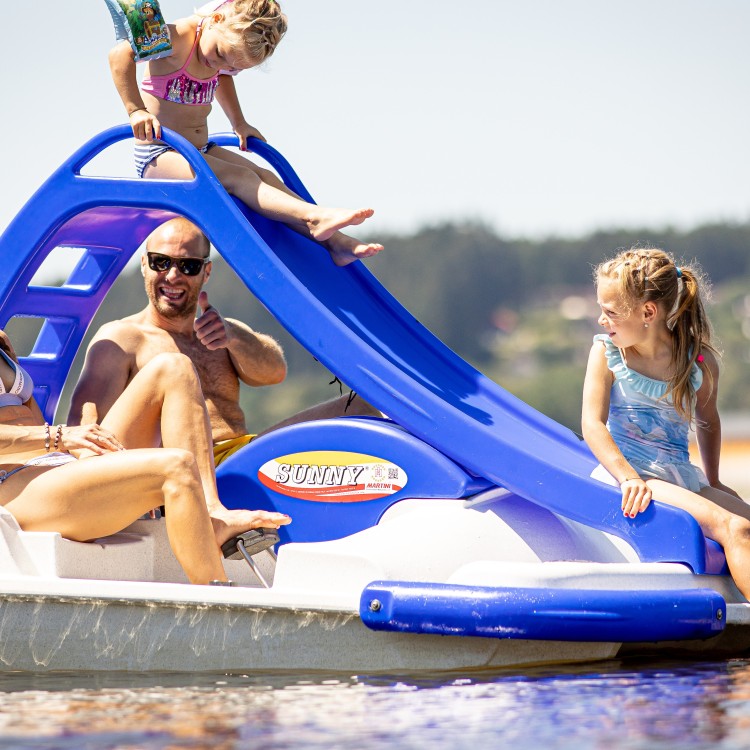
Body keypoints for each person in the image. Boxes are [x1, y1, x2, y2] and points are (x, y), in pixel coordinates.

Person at [68, 217, 381, 466]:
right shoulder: (122, 338)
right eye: (161, 262)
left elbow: (274, 372)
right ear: (143, 265)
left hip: (245, 456)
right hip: (182, 473)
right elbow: (83, 430)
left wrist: (233, 337)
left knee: (367, 404)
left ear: (206, 273)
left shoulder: (220, 330)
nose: (173, 276)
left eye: (187, 266)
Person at [0, 329, 289, 586]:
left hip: (51, 467)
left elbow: (30, 419)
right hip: (13, 486)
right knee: (176, 467)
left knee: (174, 367)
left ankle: (212, 513)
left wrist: (81, 451)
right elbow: (47, 435)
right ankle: (220, 607)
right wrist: (61, 437)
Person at [108, 0, 383, 267]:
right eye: (220, 55)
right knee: (240, 178)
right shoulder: (177, 37)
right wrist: (136, 110)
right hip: (159, 153)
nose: (219, 65)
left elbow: (223, 77)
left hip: (199, 149)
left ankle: (336, 243)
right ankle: (314, 216)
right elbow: (119, 54)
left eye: (234, 66)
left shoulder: (218, 50)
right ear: (216, 20)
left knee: (265, 176)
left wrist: (238, 122)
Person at [581, 246, 750, 598]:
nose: (601, 319)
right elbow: (592, 425)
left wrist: (714, 482)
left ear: (647, 312)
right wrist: (628, 477)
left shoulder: (697, 361)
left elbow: (709, 421)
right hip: (637, 476)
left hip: (681, 476)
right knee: (733, 527)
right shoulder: (607, 355)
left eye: (610, 312)